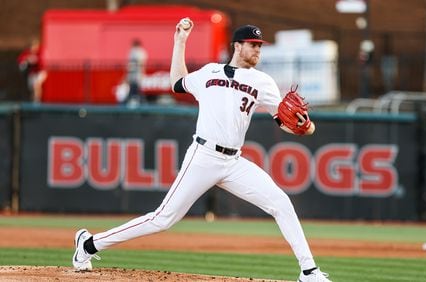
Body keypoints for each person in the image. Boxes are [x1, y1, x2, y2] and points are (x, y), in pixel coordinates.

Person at [72, 21, 331, 282]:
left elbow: (284, 122)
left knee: (281, 203)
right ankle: (89, 244)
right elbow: (176, 83)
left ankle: (309, 271)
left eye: (259, 46)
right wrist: (180, 42)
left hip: (234, 162)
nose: (257, 50)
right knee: (163, 219)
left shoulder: (263, 82)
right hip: (203, 156)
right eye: (253, 45)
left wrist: (305, 127)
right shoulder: (210, 73)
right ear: (237, 46)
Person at [124, 38, 148, 106]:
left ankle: (142, 103)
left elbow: (140, 63)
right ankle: (138, 102)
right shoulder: (138, 52)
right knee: (134, 90)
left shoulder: (138, 52)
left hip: (136, 74)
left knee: (136, 90)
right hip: (134, 74)